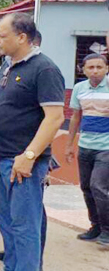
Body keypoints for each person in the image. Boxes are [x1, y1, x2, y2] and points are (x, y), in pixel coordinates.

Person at [0, 13, 65, 270]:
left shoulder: (44, 69)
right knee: (7, 225)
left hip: (21, 163)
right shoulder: (8, 65)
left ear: (22, 37)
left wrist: (29, 156)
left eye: (1, 35)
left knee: (25, 228)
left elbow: (54, 118)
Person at [65, 53, 109, 246]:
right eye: (90, 67)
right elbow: (75, 117)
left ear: (106, 68)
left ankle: (107, 230)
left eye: (99, 67)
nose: (95, 71)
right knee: (86, 188)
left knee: (98, 186)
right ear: (83, 70)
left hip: (106, 147)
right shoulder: (79, 88)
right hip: (85, 146)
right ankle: (95, 226)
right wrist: (69, 145)